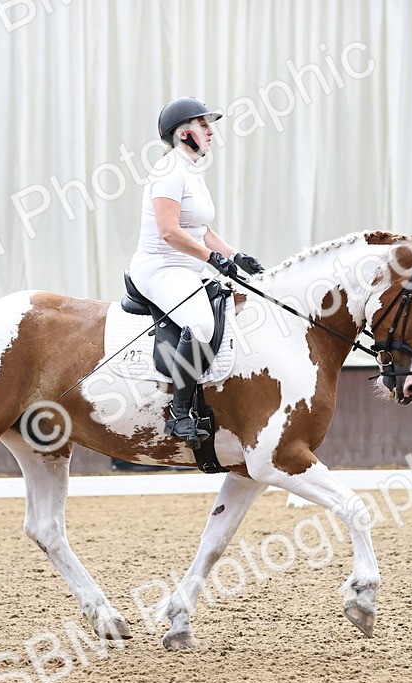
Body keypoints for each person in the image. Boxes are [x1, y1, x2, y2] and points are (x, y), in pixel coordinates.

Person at [129, 96, 264, 446]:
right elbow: (169, 232)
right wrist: (211, 259)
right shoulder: (168, 172)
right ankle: (179, 415)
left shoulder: (191, 171)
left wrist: (235, 255)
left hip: (188, 267)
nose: (211, 132)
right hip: (160, 267)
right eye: (203, 125)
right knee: (201, 324)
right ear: (183, 133)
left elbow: (201, 229)